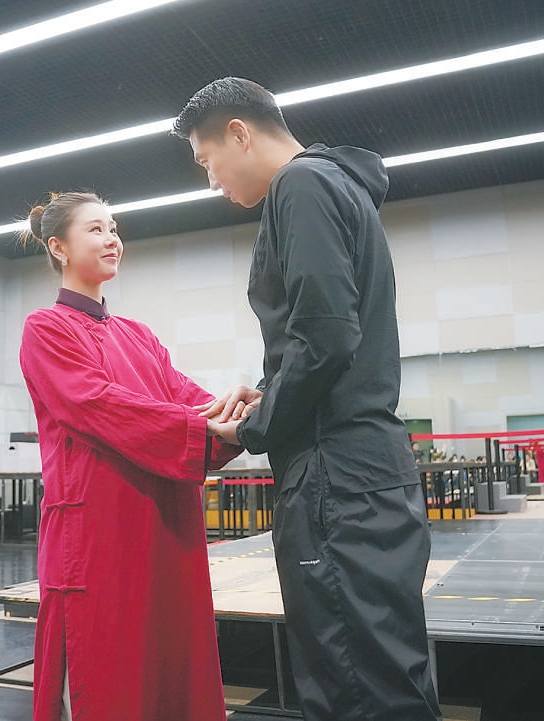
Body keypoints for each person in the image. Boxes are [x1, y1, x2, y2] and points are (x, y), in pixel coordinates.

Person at [175, 77, 440, 721]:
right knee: (382, 672)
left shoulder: (300, 186)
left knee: (352, 682)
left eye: (207, 160)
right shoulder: (339, 185)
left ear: (239, 133)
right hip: (360, 473)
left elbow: (325, 336)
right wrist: (268, 390)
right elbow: (327, 334)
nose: (210, 180)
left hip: (333, 476)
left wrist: (254, 424)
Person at [18, 191, 242, 721]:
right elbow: (94, 403)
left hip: (161, 523)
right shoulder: (46, 328)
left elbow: (187, 397)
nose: (112, 239)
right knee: (105, 671)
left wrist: (244, 410)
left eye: (114, 228)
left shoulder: (138, 335)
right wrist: (205, 428)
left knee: (170, 659)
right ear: (59, 248)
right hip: (98, 534)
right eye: (96, 229)